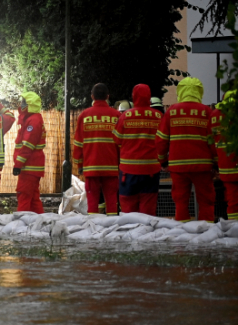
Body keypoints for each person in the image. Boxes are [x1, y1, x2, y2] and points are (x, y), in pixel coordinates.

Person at [158, 78, 217, 222]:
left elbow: (161, 139)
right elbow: (213, 141)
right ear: (199, 91)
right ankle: (207, 233)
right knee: (206, 201)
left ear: (180, 91)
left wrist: (163, 161)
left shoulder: (171, 111)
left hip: (178, 166)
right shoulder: (206, 111)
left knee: (181, 202)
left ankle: (182, 236)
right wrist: (216, 164)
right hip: (202, 166)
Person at [113, 84, 163, 215]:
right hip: (151, 170)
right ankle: (147, 233)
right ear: (149, 97)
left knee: (128, 209)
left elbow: (116, 140)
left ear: (133, 97)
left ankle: (130, 234)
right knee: (148, 208)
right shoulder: (158, 116)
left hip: (128, 172)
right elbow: (164, 141)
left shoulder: (125, 116)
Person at [72, 83, 121, 215]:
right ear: (107, 97)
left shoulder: (84, 116)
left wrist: (79, 164)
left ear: (92, 96)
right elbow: (121, 143)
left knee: (92, 201)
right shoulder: (116, 115)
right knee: (111, 201)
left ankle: (92, 228)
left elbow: (78, 143)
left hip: (91, 167)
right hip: (111, 167)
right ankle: (112, 228)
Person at [213, 91, 237, 220]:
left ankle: (234, 228)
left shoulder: (215, 115)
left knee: (232, 199)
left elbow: (211, 141)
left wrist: (215, 163)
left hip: (226, 166)